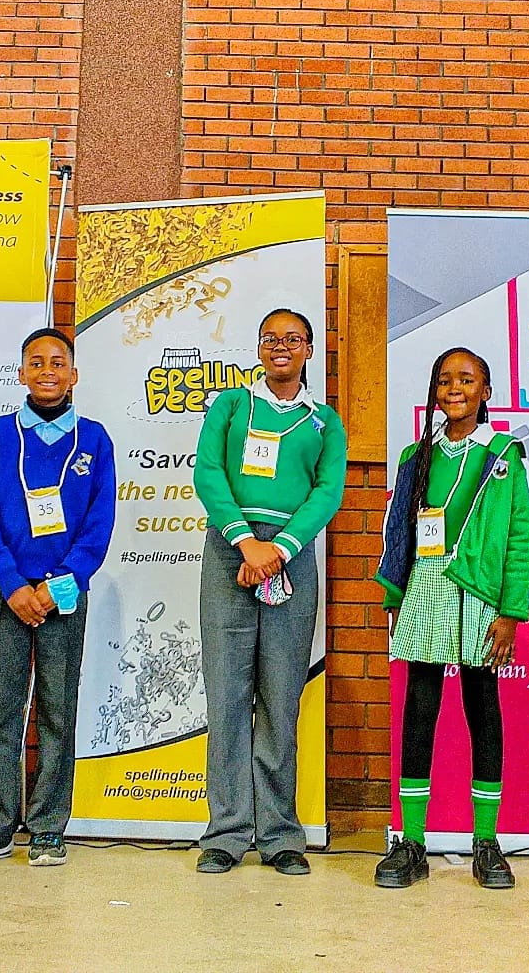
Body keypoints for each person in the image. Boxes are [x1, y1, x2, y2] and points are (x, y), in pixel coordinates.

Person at [0, 328, 116, 868]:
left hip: (63, 595)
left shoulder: (95, 440)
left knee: (57, 710)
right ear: (21, 373)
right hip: (8, 594)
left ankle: (47, 827)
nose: (47, 371)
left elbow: (99, 524)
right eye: (36, 362)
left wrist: (59, 583)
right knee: (1, 709)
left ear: (74, 375)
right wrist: (12, 584)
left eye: (58, 362)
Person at [192, 309, 347, 875]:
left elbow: (327, 492)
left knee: (281, 699)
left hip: (291, 557)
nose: (281, 346)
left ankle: (281, 834)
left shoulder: (324, 422)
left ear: (309, 349)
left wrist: (277, 550)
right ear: (259, 348)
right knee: (227, 697)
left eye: (292, 339)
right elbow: (208, 472)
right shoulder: (232, 405)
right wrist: (245, 543)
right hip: (229, 553)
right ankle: (227, 832)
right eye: (270, 338)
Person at [373, 347, 529, 889]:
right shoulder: (415, 457)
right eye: (444, 380)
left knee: (482, 707)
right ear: (434, 392)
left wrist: (510, 613)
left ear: (486, 392)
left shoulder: (503, 455)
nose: (454, 388)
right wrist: (395, 594)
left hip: (479, 591)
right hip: (425, 585)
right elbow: (399, 531)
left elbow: (519, 537)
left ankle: (486, 842)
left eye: (467, 379)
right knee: (420, 707)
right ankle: (412, 842)